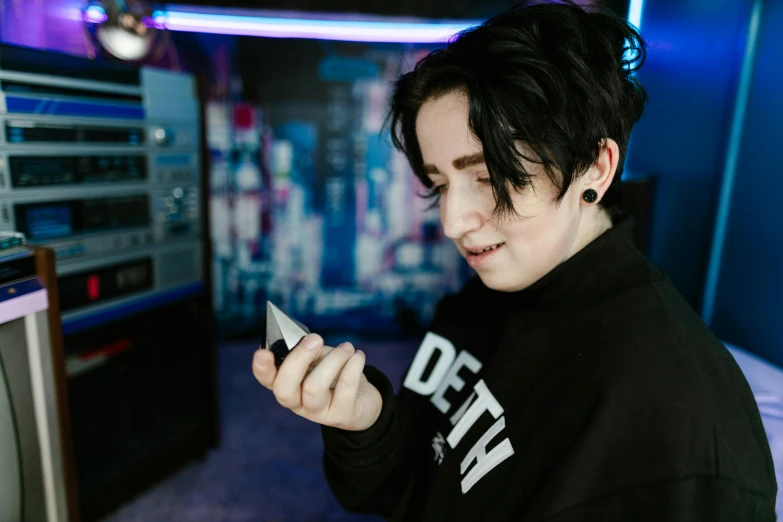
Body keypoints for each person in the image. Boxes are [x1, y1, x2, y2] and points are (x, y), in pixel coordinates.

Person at [252, 1, 778, 520]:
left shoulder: (678, 435)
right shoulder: (487, 292)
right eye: (439, 185)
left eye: (488, 177)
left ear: (595, 167)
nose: (454, 221)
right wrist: (365, 421)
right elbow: (417, 482)